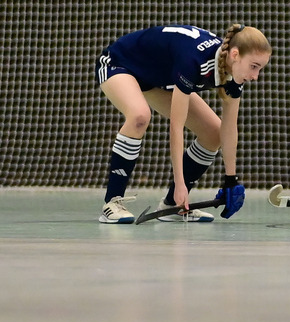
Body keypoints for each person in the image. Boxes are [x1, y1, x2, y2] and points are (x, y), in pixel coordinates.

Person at [95, 24, 271, 224]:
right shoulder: (194, 61)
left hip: (155, 77)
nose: (255, 76)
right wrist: (180, 183)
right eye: (254, 66)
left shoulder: (234, 74)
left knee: (213, 133)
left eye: (260, 69)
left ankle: (172, 205)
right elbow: (176, 126)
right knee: (139, 116)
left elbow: (228, 129)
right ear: (235, 55)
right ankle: (112, 202)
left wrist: (231, 180)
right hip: (119, 64)